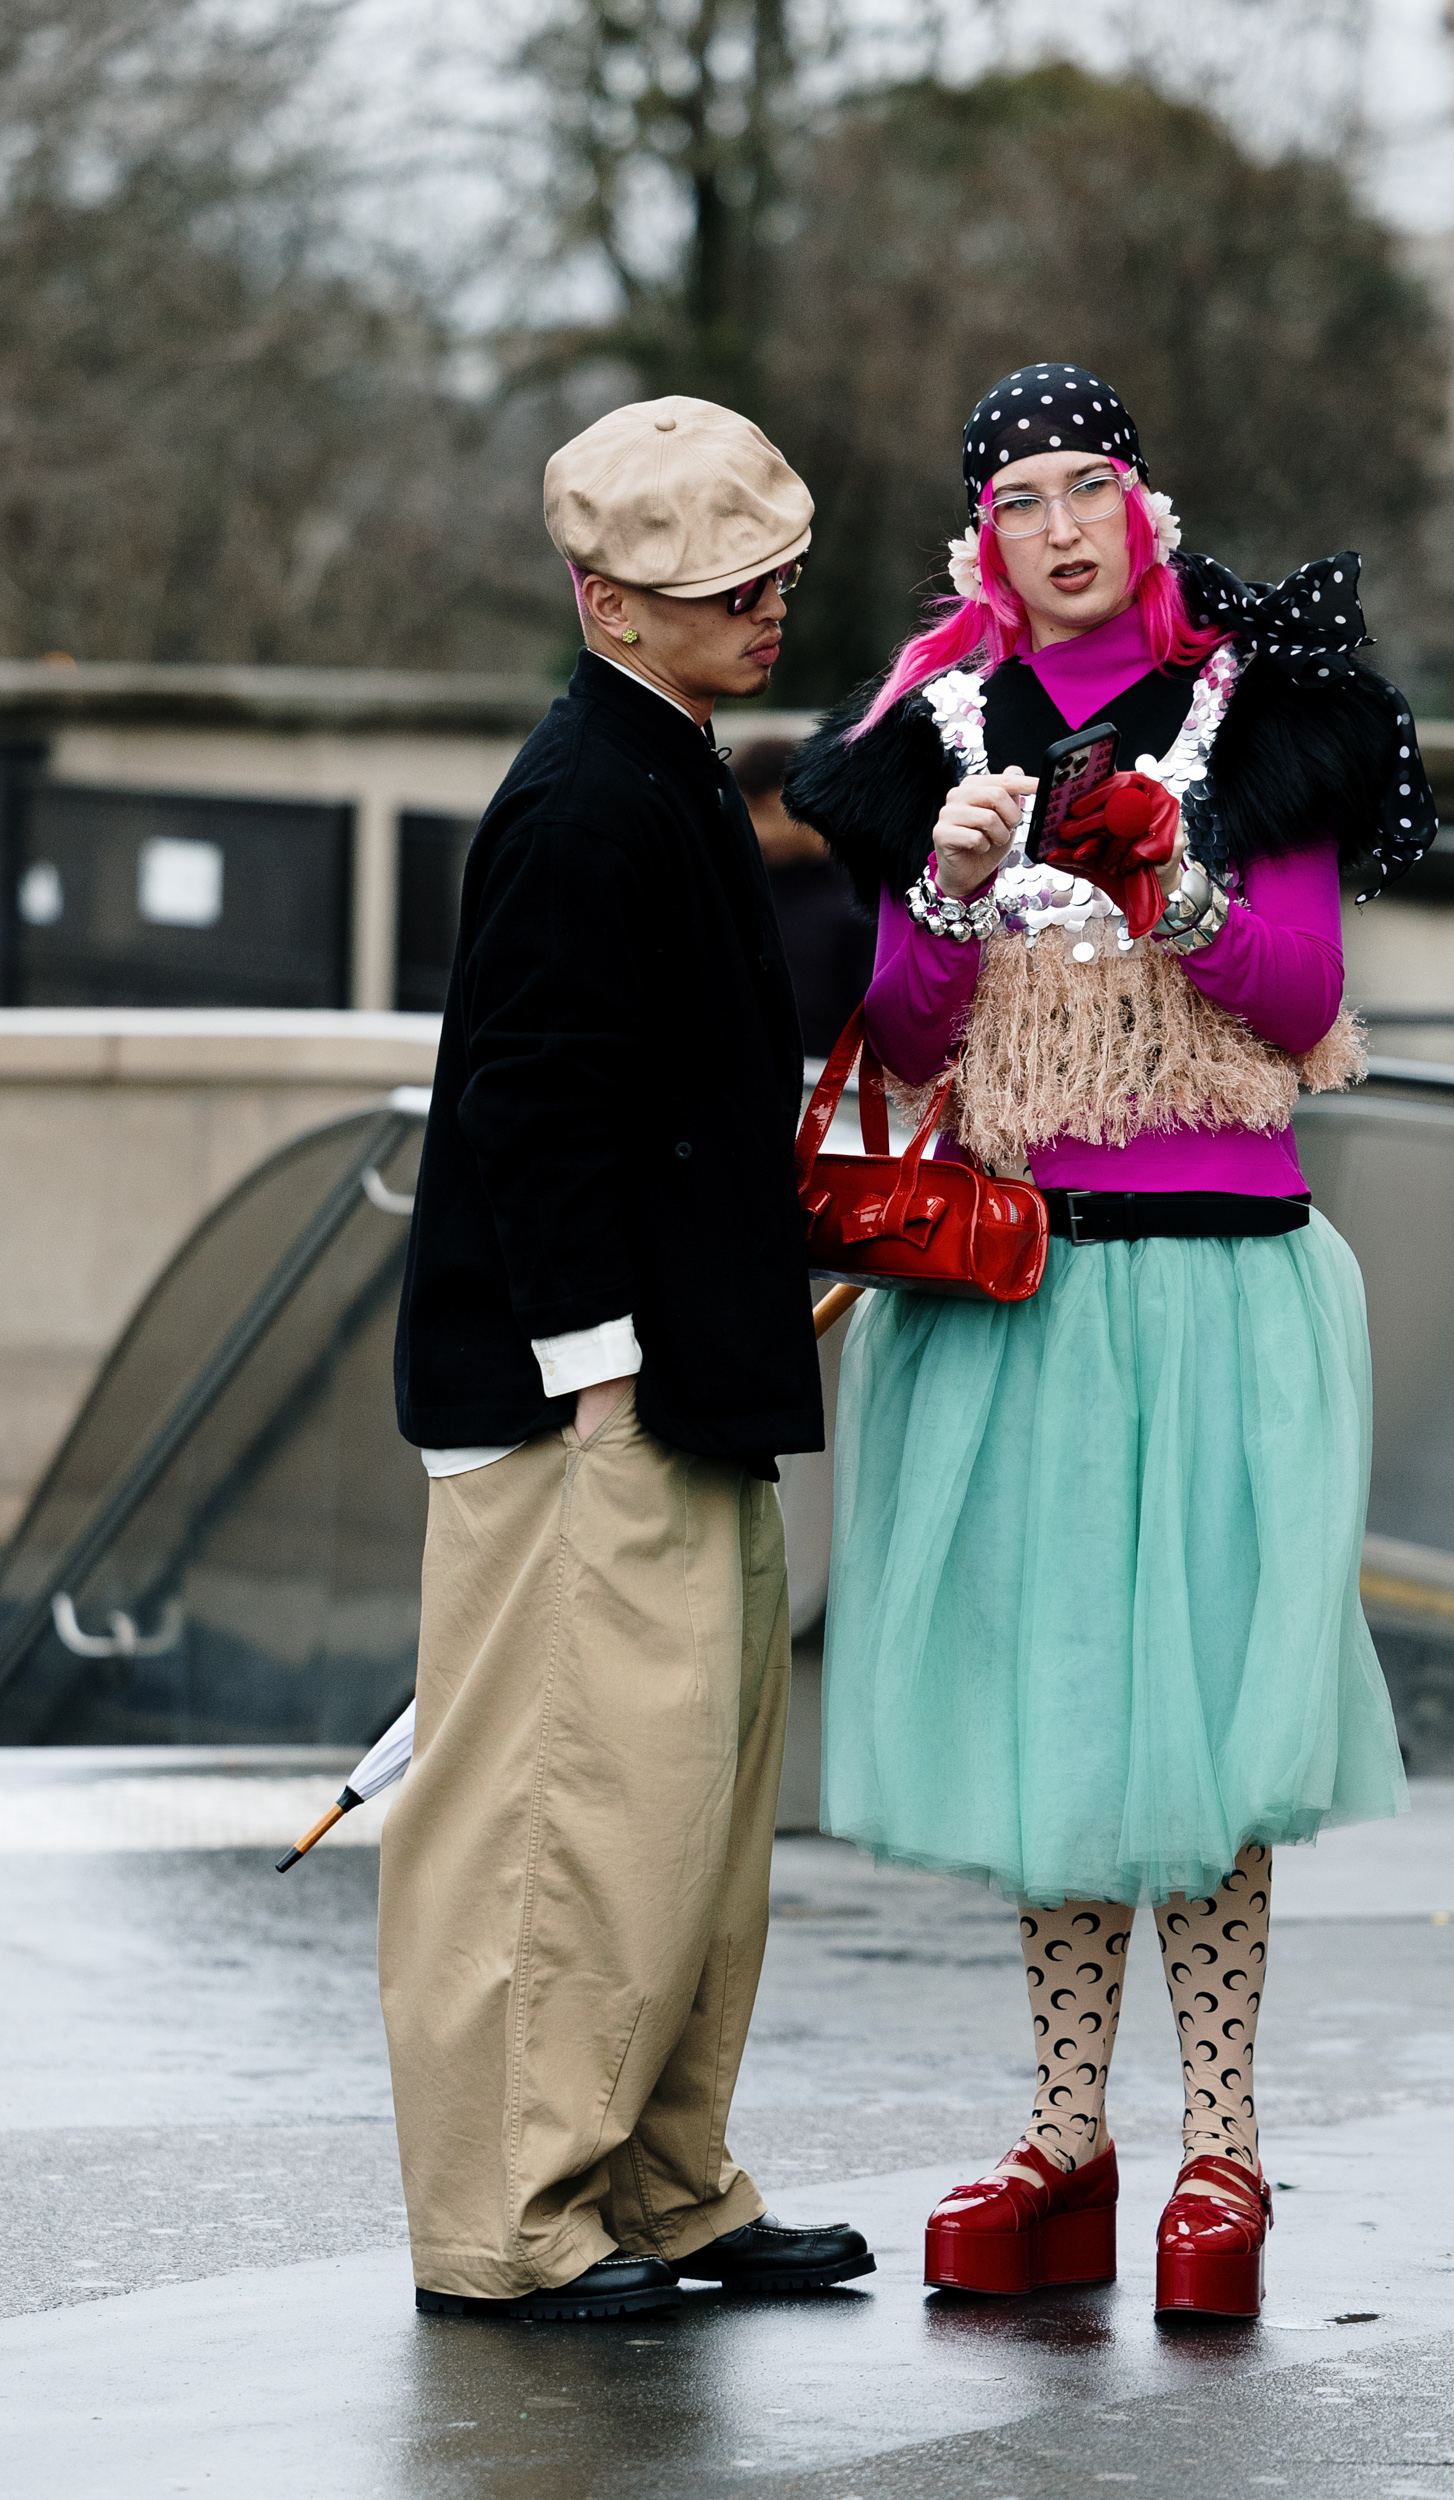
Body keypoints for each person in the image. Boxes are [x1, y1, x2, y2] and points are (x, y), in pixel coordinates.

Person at [783, 362, 1435, 2318]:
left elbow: (1299, 987)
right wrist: (946, 890)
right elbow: (901, 1034)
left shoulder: (1264, 694)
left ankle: (1217, 2147)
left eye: (1088, 485)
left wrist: (1179, 886)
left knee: (1210, 1738)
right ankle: (1064, 2136)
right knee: (1055, 1718)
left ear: (1140, 505)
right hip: (1018, 1284)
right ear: (973, 533)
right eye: (1016, 499)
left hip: (1218, 1276)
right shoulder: (929, 720)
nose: (1056, 526)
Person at [383, 394, 873, 2323]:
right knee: (562, 1819)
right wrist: (594, 1367)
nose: (764, 603)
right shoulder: (595, 793)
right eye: (718, 583)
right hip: (594, 1399)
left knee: (675, 1814)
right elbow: (532, 1101)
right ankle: (516, 2222)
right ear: (605, 598)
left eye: (773, 572)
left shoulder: (649, 760)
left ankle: (661, 2185)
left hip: (656, 1383)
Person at [732, 736, 873, 1053]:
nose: (758, 830)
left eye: (768, 812)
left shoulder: (864, 901)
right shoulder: (741, 887)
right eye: (747, 812)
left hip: (831, 1086)